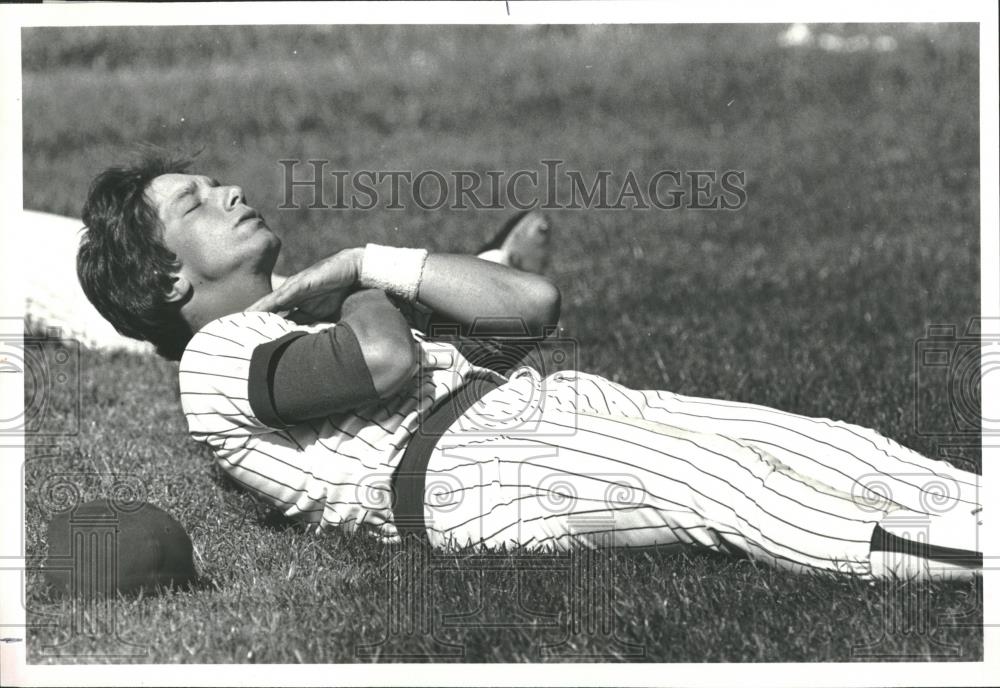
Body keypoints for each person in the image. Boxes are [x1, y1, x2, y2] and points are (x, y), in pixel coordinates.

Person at [76, 151, 983, 582]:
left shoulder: (311, 311)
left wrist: (372, 263)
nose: (230, 190)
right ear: (165, 275)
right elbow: (384, 360)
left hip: (530, 408)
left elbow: (533, 309)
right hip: (463, 475)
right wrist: (351, 287)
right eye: (196, 201)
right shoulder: (211, 361)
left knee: (802, 436)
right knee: (714, 480)